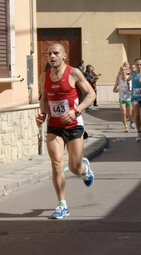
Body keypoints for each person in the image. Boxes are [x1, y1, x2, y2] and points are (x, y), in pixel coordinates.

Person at [36, 43, 96, 219]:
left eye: (56, 53)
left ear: (64, 56)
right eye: (49, 54)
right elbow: (45, 99)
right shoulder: (44, 77)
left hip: (74, 124)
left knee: (74, 168)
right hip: (54, 126)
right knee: (56, 163)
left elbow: (91, 95)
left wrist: (75, 111)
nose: (52, 56)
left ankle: (84, 169)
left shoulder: (74, 73)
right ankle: (62, 204)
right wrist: (42, 115)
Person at [113, 66, 132, 132]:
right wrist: (117, 90)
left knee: (130, 113)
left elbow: (132, 88)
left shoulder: (129, 78)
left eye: (124, 69)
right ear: (120, 71)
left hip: (129, 98)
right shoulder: (118, 79)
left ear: (127, 71)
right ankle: (125, 126)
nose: (123, 71)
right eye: (122, 70)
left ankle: (129, 118)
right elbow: (114, 90)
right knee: (123, 111)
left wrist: (130, 88)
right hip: (122, 98)